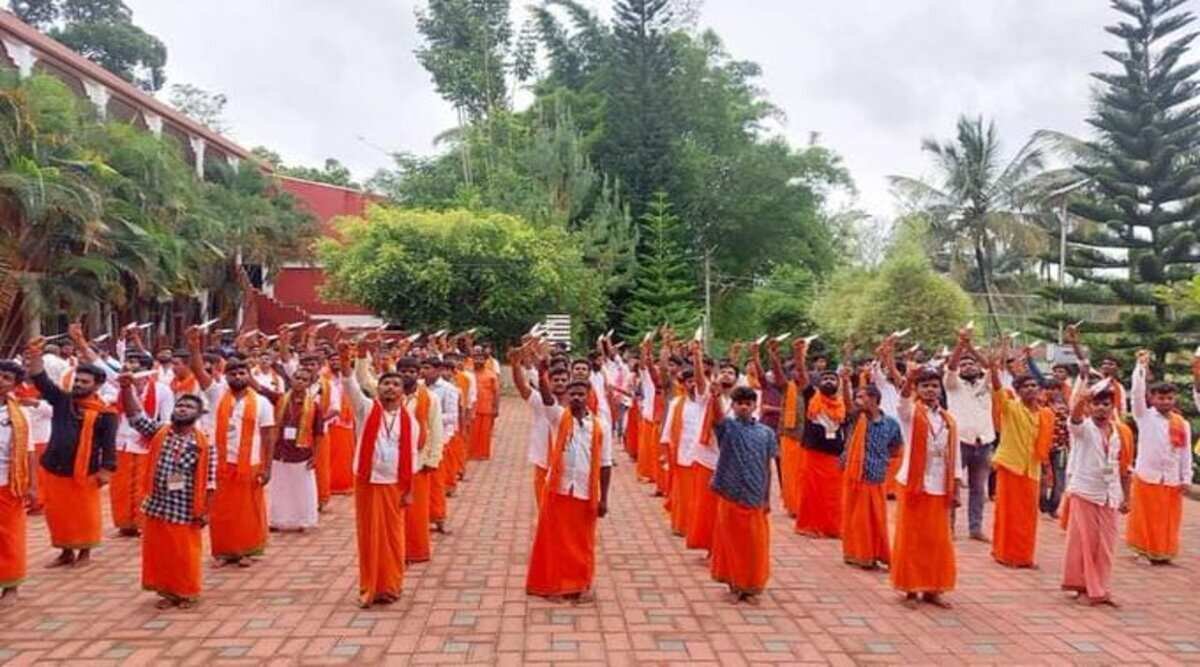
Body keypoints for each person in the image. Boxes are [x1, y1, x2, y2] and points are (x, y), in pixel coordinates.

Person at [117, 374, 215, 610]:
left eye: (189, 406)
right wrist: (127, 388)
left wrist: (206, 511)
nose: (183, 408)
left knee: (184, 553)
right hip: (158, 504)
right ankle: (168, 592)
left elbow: (210, 481)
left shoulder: (204, 443)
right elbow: (135, 417)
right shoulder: (161, 431)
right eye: (180, 405)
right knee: (160, 552)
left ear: (198, 414)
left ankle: (187, 592)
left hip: (185, 508)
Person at [26, 333, 117, 568]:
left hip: (86, 472)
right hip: (54, 467)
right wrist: (35, 354)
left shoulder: (106, 414)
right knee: (58, 514)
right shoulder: (62, 401)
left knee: (85, 514)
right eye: (77, 380)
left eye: (84, 382)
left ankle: (85, 553)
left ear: (97, 385)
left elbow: (109, 445)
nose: (78, 384)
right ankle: (65, 552)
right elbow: (41, 380)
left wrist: (106, 470)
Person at [339, 342, 419, 608]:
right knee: (369, 537)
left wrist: (409, 491)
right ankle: (370, 587)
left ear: (402, 391)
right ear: (378, 388)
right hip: (368, 482)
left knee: (393, 538)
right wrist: (345, 358)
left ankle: (391, 586)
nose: (390, 388)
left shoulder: (410, 421)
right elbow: (350, 383)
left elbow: (412, 457)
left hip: (395, 485)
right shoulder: (366, 409)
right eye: (385, 383)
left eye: (396, 384)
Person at [192, 328, 277, 567]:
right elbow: (198, 371)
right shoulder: (217, 394)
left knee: (248, 510)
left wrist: (267, 468)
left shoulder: (261, 402)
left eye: (242, 372)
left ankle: (247, 550)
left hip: (250, 464)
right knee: (221, 510)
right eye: (233, 373)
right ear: (226, 376)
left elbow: (268, 436)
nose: (238, 376)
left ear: (249, 375)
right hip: (221, 464)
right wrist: (194, 345)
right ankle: (223, 551)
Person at [525, 377, 613, 602]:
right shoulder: (558, 417)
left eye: (580, 394)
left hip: (585, 491)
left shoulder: (601, 426)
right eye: (572, 394)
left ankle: (581, 584)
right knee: (555, 540)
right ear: (566, 396)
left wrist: (604, 499)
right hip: (559, 489)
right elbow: (547, 398)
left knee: (582, 542)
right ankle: (553, 585)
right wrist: (542, 374)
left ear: (588, 396)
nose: (576, 398)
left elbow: (605, 464)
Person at [892, 366, 958, 608]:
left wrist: (956, 486)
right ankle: (910, 588)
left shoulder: (948, 419)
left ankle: (933, 588)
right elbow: (902, 402)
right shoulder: (912, 413)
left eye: (934, 386)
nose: (930, 390)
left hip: (940, 485)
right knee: (911, 537)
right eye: (925, 386)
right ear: (917, 390)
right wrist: (908, 380)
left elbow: (955, 454)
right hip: (914, 483)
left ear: (940, 390)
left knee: (937, 540)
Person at [1061, 376, 1128, 606]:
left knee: (1107, 544)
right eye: (1096, 404)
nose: (1101, 408)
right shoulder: (1083, 428)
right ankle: (1084, 587)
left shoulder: (1119, 432)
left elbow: (1122, 466)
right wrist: (1083, 398)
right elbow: (1074, 417)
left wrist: (1125, 496)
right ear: (1090, 406)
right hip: (1085, 491)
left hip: (1110, 494)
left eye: (1106, 404)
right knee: (1084, 542)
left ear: (1112, 406)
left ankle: (1101, 587)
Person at [709, 386, 777, 604]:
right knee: (731, 543)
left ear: (755, 405)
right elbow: (717, 418)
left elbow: (767, 467)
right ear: (733, 405)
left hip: (755, 496)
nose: (744, 407)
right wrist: (715, 397)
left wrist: (766, 498)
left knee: (755, 545)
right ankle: (735, 585)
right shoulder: (728, 428)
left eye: (748, 403)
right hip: (731, 494)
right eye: (739, 404)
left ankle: (752, 586)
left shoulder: (766, 433)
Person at [989, 337, 1053, 568]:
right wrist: (994, 368)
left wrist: (1046, 470)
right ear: (1017, 391)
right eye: (1025, 386)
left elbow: (1044, 446)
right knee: (1008, 513)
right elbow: (997, 390)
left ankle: (1025, 555)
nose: (1030, 389)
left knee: (1028, 515)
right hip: (1010, 466)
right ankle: (1005, 554)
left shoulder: (1046, 414)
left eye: (1034, 385)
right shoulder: (1010, 407)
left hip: (1031, 469)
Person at [1126, 350, 1192, 564]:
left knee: (1168, 518)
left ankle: (1164, 551)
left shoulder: (1182, 423)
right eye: (1160, 398)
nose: (1165, 402)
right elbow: (1136, 394)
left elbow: (1185, 453)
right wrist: (1140, 367)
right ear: (1152, 399)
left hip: (1171, 478)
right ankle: (1143, 551)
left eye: (1169, 398)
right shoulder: (1144, 416)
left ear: (1175, 399)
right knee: (1144, 516)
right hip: (1147, 475)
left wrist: (1186, 477)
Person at [111, 351, 174, 537]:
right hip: (122, 443)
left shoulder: (162, 390)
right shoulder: (121, 388)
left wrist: (156, 436)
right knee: (121, 487)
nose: (131, 369)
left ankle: (142, 522)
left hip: (147, 443)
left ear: (146, 372)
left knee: (143, 486)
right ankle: (125, 524)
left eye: (135, 366)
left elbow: (167, 420)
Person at [841, 384, 903, 570]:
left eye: (862, 397)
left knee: (876, 519)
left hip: (877, 476)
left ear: (874, 399)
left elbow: (895, 447)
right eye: (857, 397)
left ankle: (876, 553)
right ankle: (860, 554)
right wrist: (845, 380)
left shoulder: (891, 423)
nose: (858, 401)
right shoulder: (857, 418)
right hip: (857, 475)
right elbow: (847, 404)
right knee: (859, 519)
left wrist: (881, 459)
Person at [943, 328, 995, 541]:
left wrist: (970, 346)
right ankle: (949, 527)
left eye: (971, 363)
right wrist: (960, 345)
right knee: (952, 485)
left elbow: (990, 366)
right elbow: (951, 366)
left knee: (978, 489)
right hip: (959, 442)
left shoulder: (986, 384)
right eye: (963, 365)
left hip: (984, 442)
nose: (967, 366)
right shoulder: (953, 384)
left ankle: (976, 528)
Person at [795, 339, 849, 539]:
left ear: (838, 384)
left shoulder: (843, 404)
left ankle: (832, 527)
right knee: (812, 492)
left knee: (834, 494)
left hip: (835, 454)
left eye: (832, 379)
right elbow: (802, 374)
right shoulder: (812, 396)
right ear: (818, 382)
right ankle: (810, 526)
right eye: (825, 378)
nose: (828, 381)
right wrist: (800, 354)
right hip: (814, 453)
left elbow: (848, 426)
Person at [397, 357, 443, 564]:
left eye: (412, 371)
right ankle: (396, 549)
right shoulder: (390, 395)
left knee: (416, 511)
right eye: (403, 371)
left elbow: (435, 429)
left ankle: (415, 551)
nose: (407, 374)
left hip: (419, 461)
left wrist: (433, 459)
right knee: (396, 508)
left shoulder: (430, 398)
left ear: (418, 374)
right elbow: (363, 380)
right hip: (394, 461)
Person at [660, 342, 707, 538]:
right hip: (681, 453)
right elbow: (668, 430)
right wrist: (665, 453)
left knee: (699, 495)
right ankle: (681, 525)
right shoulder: (676, 403)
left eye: (695, 381)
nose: (693, 384)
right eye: (689, 382)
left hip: (702, 455)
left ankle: (697, 527)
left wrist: (697, 356)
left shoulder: (706, 403)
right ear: (684, 384)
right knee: (683, 493)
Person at [268, 367, 323, 532]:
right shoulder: (279, 399)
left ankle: (303, 520)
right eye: (297, 378)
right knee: (280, 487)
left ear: (309, 384)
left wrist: (316, 456)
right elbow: (261, 389)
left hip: (301, 453)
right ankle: (278, 520)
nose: (300, 381)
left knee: (302, 489)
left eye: (304, 380)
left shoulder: (314, 406)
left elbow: (318, 433)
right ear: (291, 380)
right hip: (280, 451)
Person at [511, 344, 565, 511]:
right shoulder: (540, 400)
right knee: (543, 503)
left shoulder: (575, 404)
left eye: (564, 380)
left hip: (567, 462)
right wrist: (515, 365)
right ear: (549, 382)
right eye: (556, 380)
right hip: (543, 459)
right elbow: (522, 387)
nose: (560, 383)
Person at [0, 361, 30, 603]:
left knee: (9, 536)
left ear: (15, 385)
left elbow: (28, 451)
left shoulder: (20, 414)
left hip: (9, 484)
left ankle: (11, 586)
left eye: (6, 377)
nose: (0, 380)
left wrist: (32, 487)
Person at [424, 357, 459, 533]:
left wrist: (428, 417)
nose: (423, 371)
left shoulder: (448, 389)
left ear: (438, 370)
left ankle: (438, 518)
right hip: (420, 440)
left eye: (427, 368)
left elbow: (452, 416)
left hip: (440, 439)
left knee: (437, 482)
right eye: (422, 367)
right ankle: (421, 518)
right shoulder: (418, 387)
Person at [469, 346, 500, 461]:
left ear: (485, 360)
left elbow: (496, 392)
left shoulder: (491, 374)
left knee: (485, 432)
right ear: (472, 359)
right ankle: (471, 453)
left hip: (487, 407)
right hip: (472, 408)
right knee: (472, 432)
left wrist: (496, 408)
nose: (478, 361)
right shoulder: (469, 374)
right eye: (476, 358)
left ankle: (483, 453)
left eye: (481, 359)